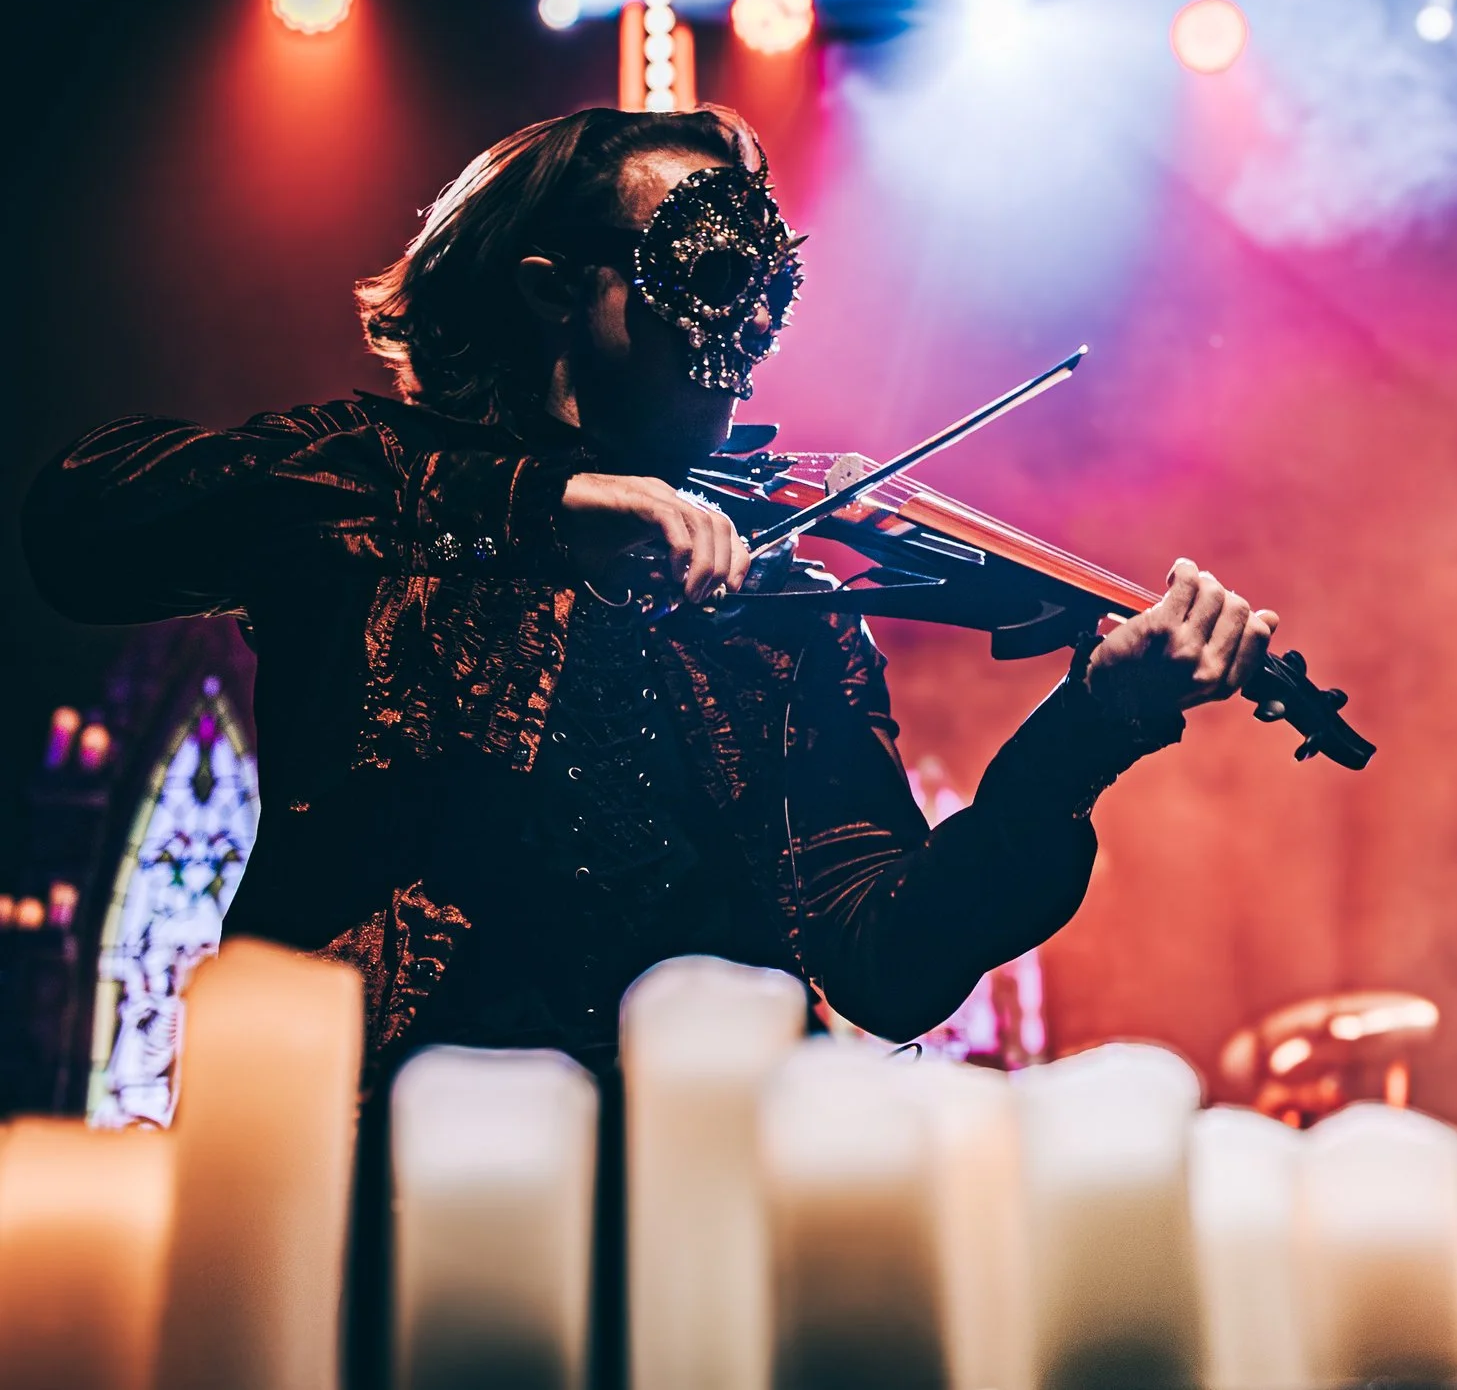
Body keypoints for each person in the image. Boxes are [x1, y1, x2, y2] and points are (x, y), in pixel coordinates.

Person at [22, 105, 1276, 1381]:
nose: (747, 335)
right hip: (380, 1211)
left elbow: (885, 958)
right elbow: (81, 523)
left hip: (704, 1242)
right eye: (708, 276)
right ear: (553, 290)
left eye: (767, 290)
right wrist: (531, 505)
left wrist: (1089, 730)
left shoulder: (782, 606)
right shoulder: (379, 485)